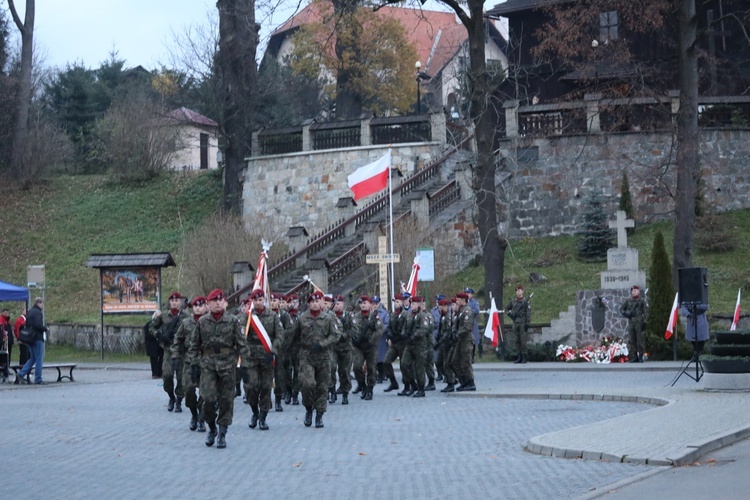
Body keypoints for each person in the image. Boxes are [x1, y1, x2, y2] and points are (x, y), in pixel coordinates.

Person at [187, 289, 251, 449]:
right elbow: (194, 345)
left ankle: (222, 432)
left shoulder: (233, 321)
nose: (217, 303)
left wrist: (245, 366)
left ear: (225, 303)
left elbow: (242, 344)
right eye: (214, 300)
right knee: (207, 399)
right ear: (208, 304)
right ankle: (212, 427)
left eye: (220, 300)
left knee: (226, 400)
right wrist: (194, 364)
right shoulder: (202, 322)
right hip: (208, 365)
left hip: (228, 365)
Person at [287, 291, 340, 428]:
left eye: (318, 301)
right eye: (313, 302)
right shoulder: (302, 318)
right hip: (307, 356)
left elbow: (335, 336)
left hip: (323, 357)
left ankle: (319, 415)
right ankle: (309, 409)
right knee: (307, 384)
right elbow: (295, 336)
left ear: (322, 303)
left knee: (322, 387)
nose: (315, 304)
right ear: (309, 304)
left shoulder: (328, 318)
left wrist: (322, 344)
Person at [239, 289, 282, 431]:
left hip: (266, 357)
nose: (258, 302)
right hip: (251, 357)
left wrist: (273, 351)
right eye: (255, 300)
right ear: (252, 301)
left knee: (265, 387)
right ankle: (255, 413)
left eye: (261, 299)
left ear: (264, 300)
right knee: (251, 387)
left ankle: (263, 417)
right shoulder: (247, 317)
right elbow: (240, 337)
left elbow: (279, 336)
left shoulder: (273, 316)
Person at [171, 296, 207, 432]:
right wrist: (175, 356)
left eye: (201, 305)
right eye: (196, 305)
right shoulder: (186, 323)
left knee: (206, 393)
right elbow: (177, 340)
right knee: (189, 390)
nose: (198, 307)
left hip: (206, 363)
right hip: (189, 362)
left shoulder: (210, 322)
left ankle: (202, 418)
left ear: (206, 307)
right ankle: (194, 414)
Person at [150, 292, 190, 411]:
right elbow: (151, 327)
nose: (174, 302)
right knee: (167, 376)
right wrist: (158, 335)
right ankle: (171, 397)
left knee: (181, 378)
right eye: (172, 300)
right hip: (168, 351)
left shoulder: (187, 316)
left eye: (177, 300)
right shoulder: (163, 316)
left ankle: (178, 400)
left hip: (181, 351)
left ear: (180, 302)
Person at [350, 296, 382, 401]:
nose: (363, 305)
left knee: (372, 368)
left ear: (370, 305)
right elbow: (351, 328)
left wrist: (370, 341)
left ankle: (370, 389)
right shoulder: (355, 316)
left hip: (370, 346)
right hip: (358, 346)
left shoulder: (374, 317)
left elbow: (379, 330)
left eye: (365, 303)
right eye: (361, 303)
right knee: (357, 367)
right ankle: (362, 385)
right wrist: (354, 339)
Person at [16, 298, 47, 385]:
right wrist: (45, 328)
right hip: (36, 337)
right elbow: (38, 325)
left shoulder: (29, 312)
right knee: (39, 358)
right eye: (42, 304)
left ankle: (21, 373)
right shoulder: (37, 312)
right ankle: (38, 378)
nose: (42, 306)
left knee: (32, 358)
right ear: (38, 303)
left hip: (29, 338)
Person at [330, 295, 352, 405]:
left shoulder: (348, 316)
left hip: (345, 348)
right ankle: (332, 391)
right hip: (333, 347)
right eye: (334, 304)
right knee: (331, 369)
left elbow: (354, 330)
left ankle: (345, 393)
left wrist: (344, 335)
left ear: (343, 304)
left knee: (344, 371)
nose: (336, 306)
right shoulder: (330, 316)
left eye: (338, 304)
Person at [452, 292, 476, 391]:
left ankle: (470, 382)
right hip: (460, 341)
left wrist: (457, 334)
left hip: (466, 340)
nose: (457, 301)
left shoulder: (467, 311)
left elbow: (467, 327)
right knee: (455, 361)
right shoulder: (461, 311)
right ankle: (463, 381)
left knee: (466, 362)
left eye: (458, 299)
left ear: (463, 300)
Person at [620, 285, 647, 363]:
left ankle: (641, 356)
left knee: (640, 340)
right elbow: (621, 309)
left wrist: (645, 321)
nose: (634, 292)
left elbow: (646, 311)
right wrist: (626, 314)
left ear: (638, 291)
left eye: (635, 290)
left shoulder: (641, 301)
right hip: (631, 321)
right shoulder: (628, 301)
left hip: (639, 321)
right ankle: (634, 356)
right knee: (632, 340)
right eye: (633, 291)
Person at [506, 285, 531, 364]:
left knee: (523, 341)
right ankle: (519, 356)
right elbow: (506, 309)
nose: (518, 292)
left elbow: (528, 313)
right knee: (517, 341)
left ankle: (524, 357)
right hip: (515, 322)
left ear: (522, 292)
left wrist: (527, 323)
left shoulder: (525, 301)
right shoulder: (513, 301)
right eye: (517, 291)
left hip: (523, 322)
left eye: (520, 290)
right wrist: (510, 315)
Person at [465, 288, 481, 360]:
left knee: (473, 340)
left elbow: (476, 310)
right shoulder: (463, 302)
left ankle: (472, 357)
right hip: (464, 322)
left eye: (468, 293)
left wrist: (468, 311)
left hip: (472, 322)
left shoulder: (474, 302)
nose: (467, 295)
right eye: (466, 293)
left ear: (471, 295)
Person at [1, 309, 13, 379]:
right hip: (5, 340)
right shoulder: (2, 320)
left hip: (9, 340)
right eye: (5, 313)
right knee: (4, 356)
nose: (7, 314)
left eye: (8, 313)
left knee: (8, 355)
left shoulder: (8, 321)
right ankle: (4, 369)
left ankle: (7, 368)